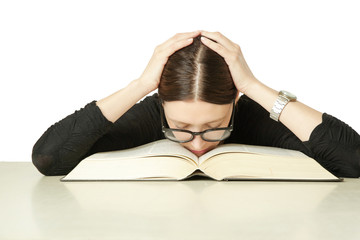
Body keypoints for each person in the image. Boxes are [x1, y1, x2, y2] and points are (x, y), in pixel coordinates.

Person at [32, 30, 360, 177]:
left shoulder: (252, 114)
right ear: (162, 105)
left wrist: (252, 86)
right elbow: (49, 158)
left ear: (234, 102)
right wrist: (141, 85)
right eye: (180, 129)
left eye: (215, 128)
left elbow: (354, 161)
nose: (199, 144)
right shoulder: (151, 113)